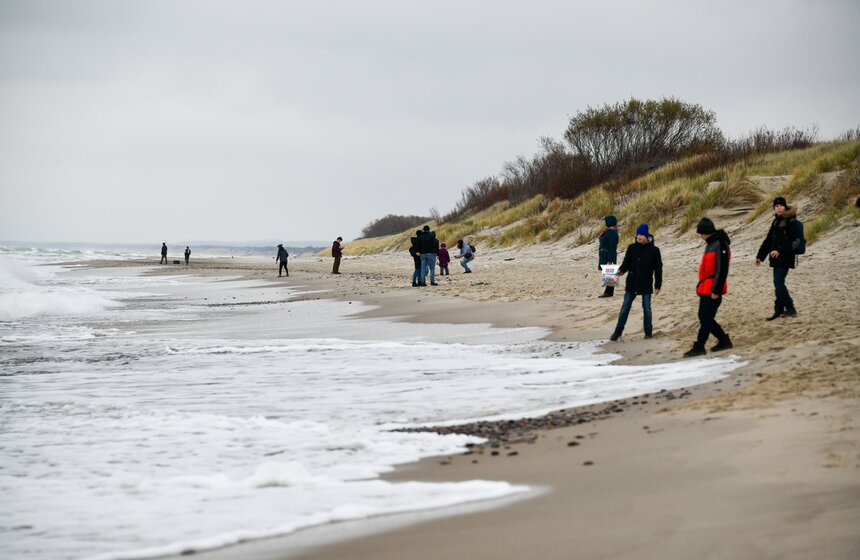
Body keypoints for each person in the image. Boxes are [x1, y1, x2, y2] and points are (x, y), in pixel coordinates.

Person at [683, 218, 732, 358]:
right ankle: (723, 340)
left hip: (713, 288)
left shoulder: (721, 244)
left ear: (706, 232)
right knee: (704, 317)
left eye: (701, 233)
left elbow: (722, 269)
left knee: (706, 317)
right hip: (705, 287)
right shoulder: (709, 245)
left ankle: (700, 346)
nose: (700, 236)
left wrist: (716, 290)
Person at [609, 224, 662, 341]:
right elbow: (626, 263)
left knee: (647, 308)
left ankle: (648, 332)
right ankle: (617, 332)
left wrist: (658, 285)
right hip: (632, 283)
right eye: (638, 234)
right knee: (625, 307)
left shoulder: (654, 251)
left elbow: (658, 269)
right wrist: (621, 270)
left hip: (646, 283)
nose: (639, 236)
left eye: (641, 234)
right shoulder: (631, 248)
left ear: (647, 236)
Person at [755, 197, 802, 320]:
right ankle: (779, 310)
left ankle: (790, 308)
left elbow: (795, 241)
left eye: (781, 205)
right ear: (774, 209)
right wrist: (760, 256)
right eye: (776, 206)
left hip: (786, 258)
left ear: (785, 207)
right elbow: (768, 241)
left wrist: (780, 250)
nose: (779, 208)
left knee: (778, 282)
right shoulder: (775, 222)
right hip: (775, 259)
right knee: (778, 284)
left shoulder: (790, 221)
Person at [598, 215, 619, 297]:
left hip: (609, 255)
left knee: (610, 272)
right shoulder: (609, 231)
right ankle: (608, 292)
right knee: (608, 272)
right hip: (605, 254)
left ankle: (609, 292)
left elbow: (612, 247)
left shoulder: (612, 233)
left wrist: (610, 259)